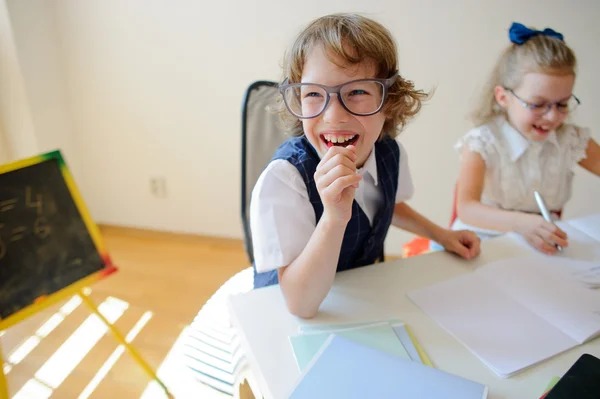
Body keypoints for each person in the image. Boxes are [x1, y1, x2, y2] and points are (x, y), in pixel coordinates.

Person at [250, 13, 480, 318]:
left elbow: (387, 205)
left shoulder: (387, 153)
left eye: (357, 91)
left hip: (357, 297)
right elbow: (299, 305)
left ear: (389, 100)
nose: (333, 116)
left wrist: (442, 235)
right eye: (314, 94)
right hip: (288, 312)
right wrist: (333, 216)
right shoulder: (285, 180)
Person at [453, 22, 600, 255]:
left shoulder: (571, 139)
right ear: (503, 97)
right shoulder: (483, 142)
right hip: (482, 241)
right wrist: (522, 223)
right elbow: (467, 208)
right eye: (538, 104)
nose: (552, 117)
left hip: (542, 246)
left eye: (562, 104)